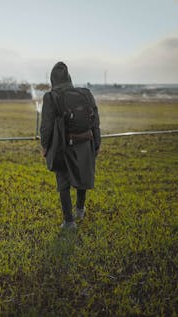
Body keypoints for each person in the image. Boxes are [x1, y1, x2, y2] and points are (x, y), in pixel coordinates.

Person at [40, 62, 101, 230]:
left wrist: (44, 146)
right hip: (86, 141)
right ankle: (80, 210)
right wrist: (97, 143)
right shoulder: (86, 93)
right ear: (69, 77)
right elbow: (95, 120)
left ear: (53, 79)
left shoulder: (51, 97)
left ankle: (69, 221)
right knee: (83, 175)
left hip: (63, 145)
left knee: (63, 181)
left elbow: (46, 126)